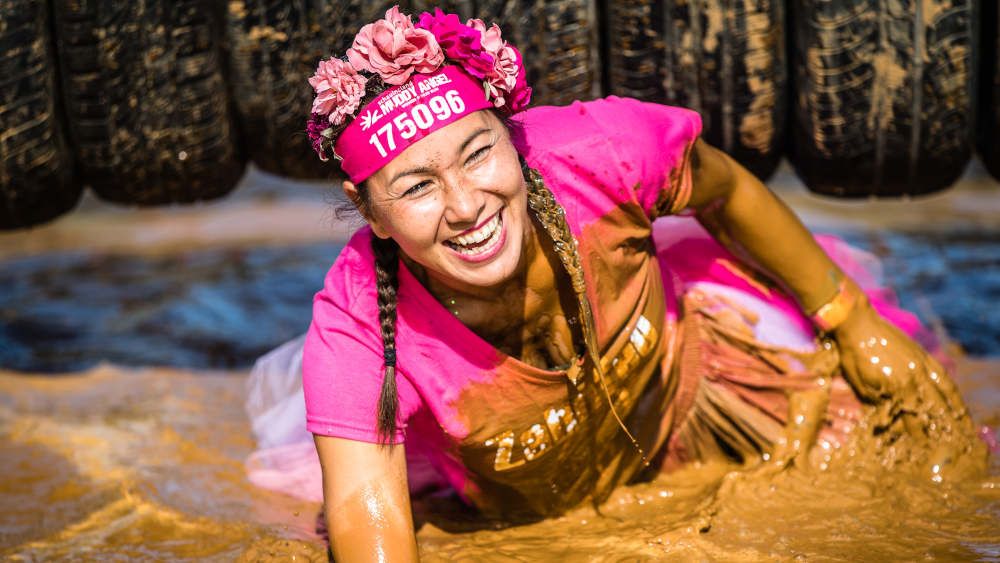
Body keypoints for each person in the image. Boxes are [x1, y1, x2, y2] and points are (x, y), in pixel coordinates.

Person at [244, 6, 984, 561]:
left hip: (695, 379)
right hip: (517, 491)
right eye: (417, 186)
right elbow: (368, 516)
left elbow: (726, 189)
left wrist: (850, 319)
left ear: (513, 133)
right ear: (367, 209)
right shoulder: (357, 337)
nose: (467, 205)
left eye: (478, 153)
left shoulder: (602, 151)